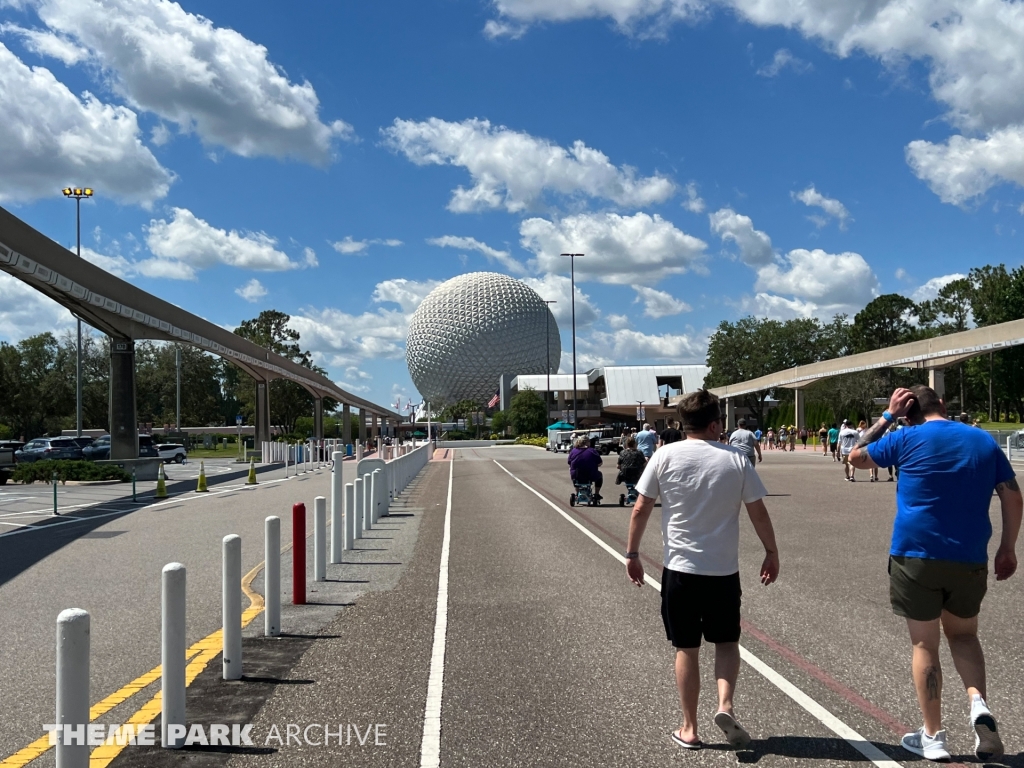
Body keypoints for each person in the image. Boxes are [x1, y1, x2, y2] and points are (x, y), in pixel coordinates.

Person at [850, 386, 1021, 762]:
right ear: (942, 405)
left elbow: (856, 455)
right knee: (963, 635)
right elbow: (1012, 495)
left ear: (908, 414)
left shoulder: (905, 437)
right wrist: (1007, 547)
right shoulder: (982, 441)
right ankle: (977, 702)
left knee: (925, 645)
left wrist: (887, 417)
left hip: (916, 554)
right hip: (969, 555)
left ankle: (933, 736)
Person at [625, 389, 779, 751]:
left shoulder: (664, 455)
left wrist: (632, 553)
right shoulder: (736, 459)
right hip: (723, 571)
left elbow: (640, 508)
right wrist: (771, 551)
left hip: (680, 569)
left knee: (686, 648)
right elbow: (759, 511)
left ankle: (689, 727)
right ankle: (724, 705)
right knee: (726, 642)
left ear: (683, 423)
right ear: (715, 423)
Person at [568, 435, 603, 500]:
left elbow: (569, 462)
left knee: (572, 471)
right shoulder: (592, 451)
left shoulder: (573, 451)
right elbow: (600, 463)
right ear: (587, 442)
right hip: (590, 475)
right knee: (599, 475)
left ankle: (577, 492)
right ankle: (597, 493)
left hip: (577, 475)